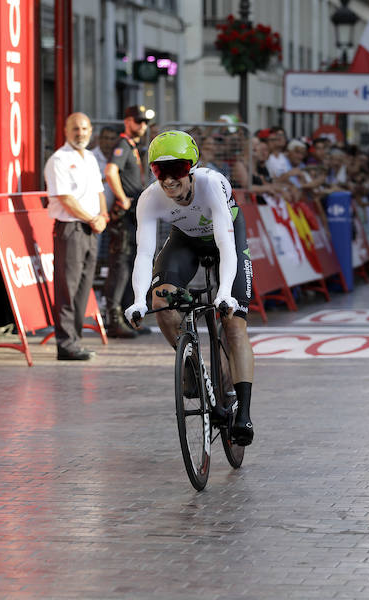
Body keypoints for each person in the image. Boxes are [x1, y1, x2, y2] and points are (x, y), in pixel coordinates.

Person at [124, 131, 256, 446]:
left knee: (234, 325)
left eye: (177, 169)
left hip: (226, 235)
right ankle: (192, 369)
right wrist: (139, 300)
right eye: (159, 171)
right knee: (162, 301)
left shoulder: (212, 184)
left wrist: (225, 293)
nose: (168, 180)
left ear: (192, 167)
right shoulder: (149, 198)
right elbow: (144, 253)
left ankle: (244, 413)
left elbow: (226, 244)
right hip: (185, 240)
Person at [44, 112, 107, 361]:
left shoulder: (90, 157)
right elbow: (65, 198)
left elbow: (99, 190)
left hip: (91, 229)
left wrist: (102, 215)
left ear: (90, 130)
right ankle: (66, 344)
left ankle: (75, 340)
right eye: (75, 129)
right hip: (70, 228)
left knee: (83, 289)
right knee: (67, 288)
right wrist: (93, 218)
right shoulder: (58, 160)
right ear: (66, 131)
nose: (80, 133)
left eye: (84, 128)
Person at [103, 105, 151, 339]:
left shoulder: (131, 146)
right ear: (127, 121)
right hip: (124, 216)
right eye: (138, 121)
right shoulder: (122, 145)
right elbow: (111, 172)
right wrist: (122, 199)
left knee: (129, 265)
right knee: (120, 267)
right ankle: (113, 320)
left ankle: (126, 317)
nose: (142, 126)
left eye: (144, 122)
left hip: (132, 215)